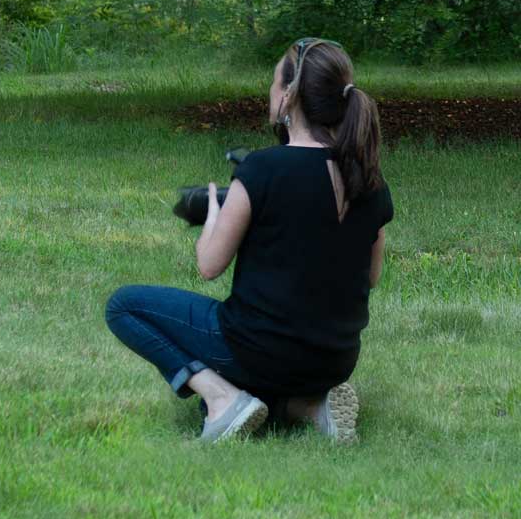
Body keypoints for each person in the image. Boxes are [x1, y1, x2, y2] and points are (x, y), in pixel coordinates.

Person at [105, 38, 393, 443]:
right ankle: (308, 406)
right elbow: (373, 276)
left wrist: (213, 217)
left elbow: (209, 265)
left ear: (289, 96)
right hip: (335, 361)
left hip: (257, 352)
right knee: (260, 371)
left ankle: (222, 399)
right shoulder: (371, 181)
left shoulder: (262, 169)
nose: (270, 92)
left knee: (124, 306)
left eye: (274, 83)